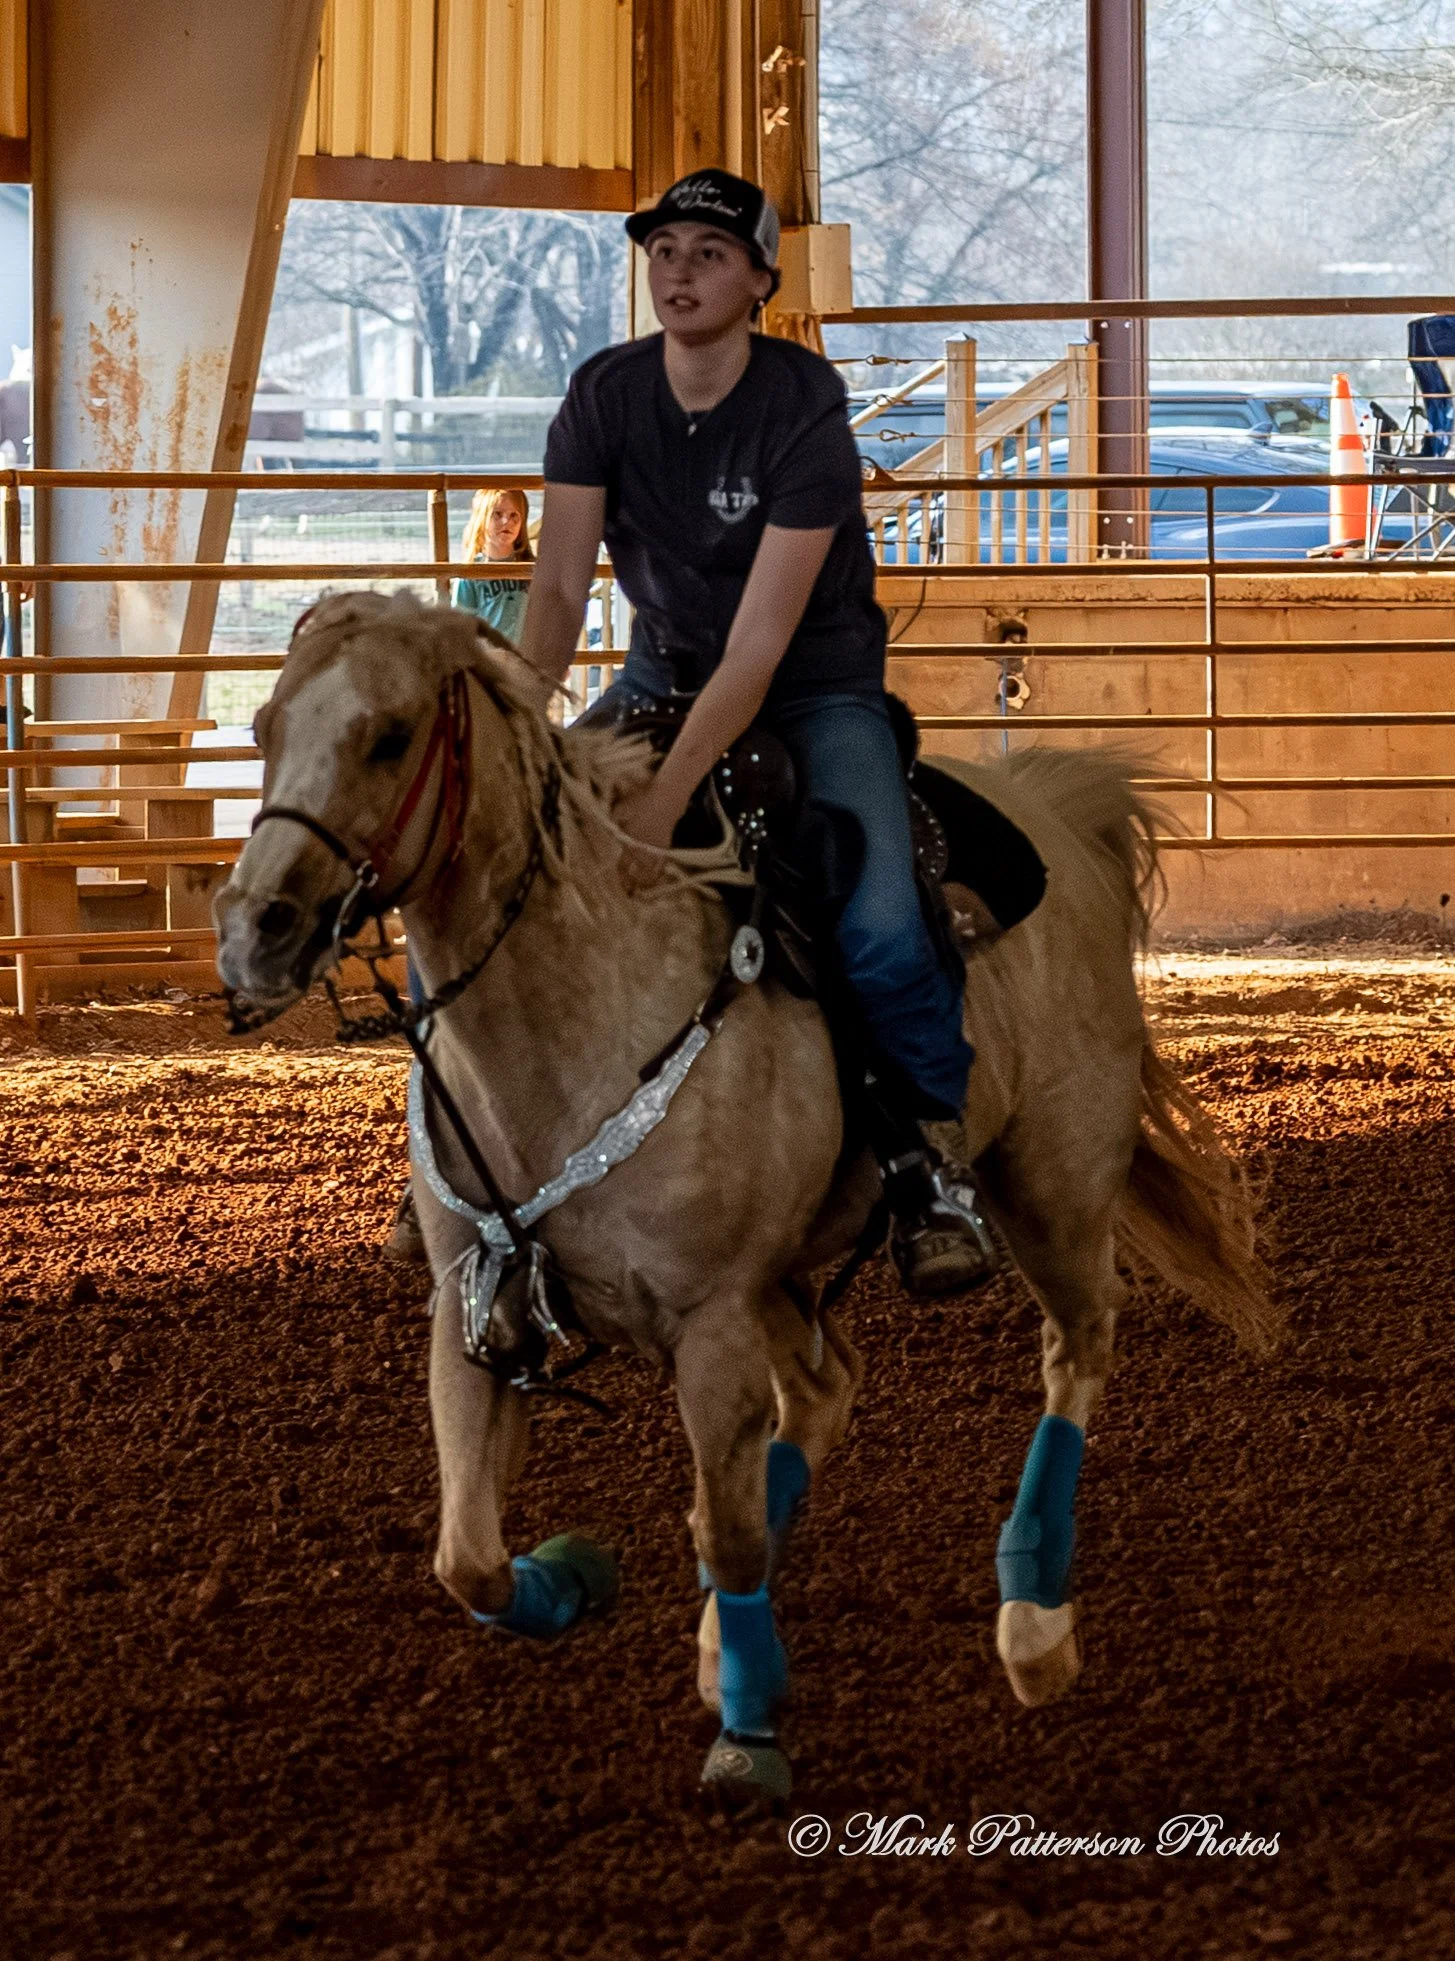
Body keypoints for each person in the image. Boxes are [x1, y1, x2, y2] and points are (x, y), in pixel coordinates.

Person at [509, 167, 996, 1297]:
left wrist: (665, 795)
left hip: (811, 685)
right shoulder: (603, 392)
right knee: (518, 860)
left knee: (877, 918)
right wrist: (521, 733)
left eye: (709, 254)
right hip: (660, 668)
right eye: (665, 250)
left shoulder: (803, 410)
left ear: (761, 281)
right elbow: (555, 597)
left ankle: (934, 1158)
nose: (679, 270)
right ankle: (476, 1160)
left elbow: (762, 646)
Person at [453, 487, 533, 643]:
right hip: (490, 660)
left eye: (514, 515)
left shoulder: (533, 568)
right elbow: (460, 626)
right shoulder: (470, 573)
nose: (506, 522)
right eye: (498, 514)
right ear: (482, 519)